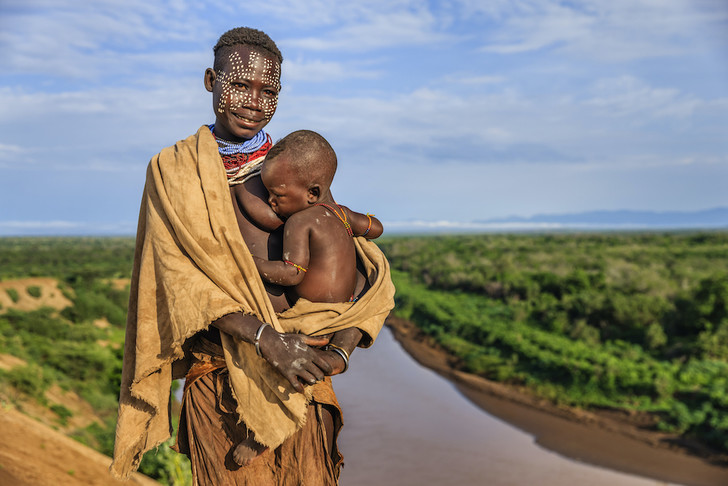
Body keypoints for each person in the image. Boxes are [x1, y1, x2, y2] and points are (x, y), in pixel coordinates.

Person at [110, 27, 395, 486]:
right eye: (240, 84)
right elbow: (179, 279)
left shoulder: (292, 168)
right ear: (210, 80)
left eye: (269, 91)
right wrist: (266, 339)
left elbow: (341, 254)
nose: (254, 101)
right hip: (223, 378)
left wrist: (339, 349)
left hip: (303, 369)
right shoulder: (174, 171)